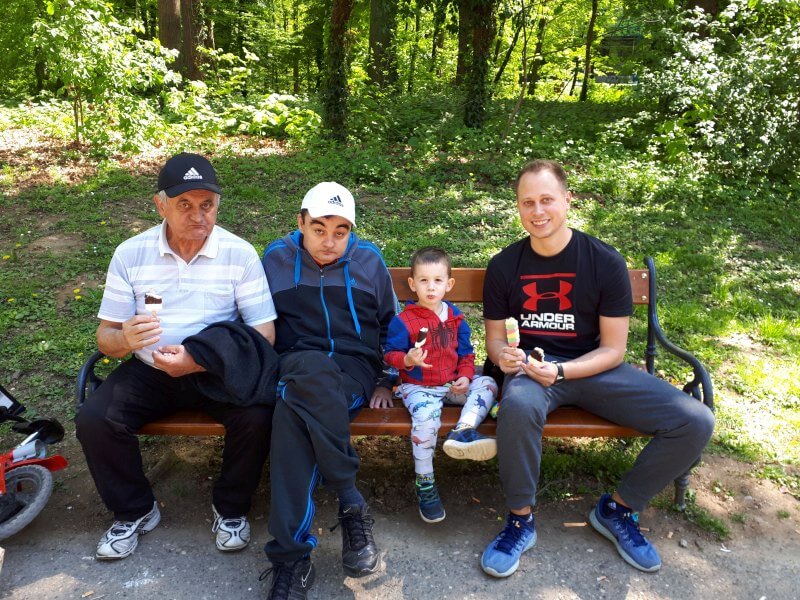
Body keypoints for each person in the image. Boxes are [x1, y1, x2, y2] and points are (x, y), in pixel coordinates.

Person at [480, 159, 715, 577]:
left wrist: (564, 372)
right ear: (517, 206)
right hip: (533, 372)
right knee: (518, 405)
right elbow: (496, 340)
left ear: (567, 200)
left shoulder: (603, 261)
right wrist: (504, 357)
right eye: (527, 202)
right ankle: (519, 520)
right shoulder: (504, 265)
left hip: (593, 368)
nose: (537, 211)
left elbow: (613, 350)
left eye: (547, 200)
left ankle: (618, 510)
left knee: (694, 421)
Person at [76, 152, 277, 560]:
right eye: (184, 204)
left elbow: (264, 333)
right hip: (150, 370)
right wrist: (125, 338)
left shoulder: (238, 253)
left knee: (257, 416)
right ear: (160, 205)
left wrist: (199, 359)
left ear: (218, 205)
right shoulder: (131, 253)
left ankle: (231, 509)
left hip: (214, 369)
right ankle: (134, 510)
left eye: (207, 204)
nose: (198, 215)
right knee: (96, 419)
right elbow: (105, 338)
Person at [260, 181, 396, 599]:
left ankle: (291, 560)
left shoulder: (368, 259)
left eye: (341, 231)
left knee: (292, 415)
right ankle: (350, 500)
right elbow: (259, 321)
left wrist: (386, 377)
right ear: (301, 222)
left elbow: (392, 325)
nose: (329, 241)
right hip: (296, 363)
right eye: (319, 229)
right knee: (308, 373)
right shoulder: (276, 259)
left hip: (353, 368)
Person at [383, 247, 498, 523]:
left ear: (449, 283)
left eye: (437, 280)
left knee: (488, 383)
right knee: (425, 421)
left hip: (451, 386)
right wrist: (407, 359)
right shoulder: (404, 321)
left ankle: (463, 430)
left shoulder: (456, 318)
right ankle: (425, 482)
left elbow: (466, 354)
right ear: (412, 284)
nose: (431, 287)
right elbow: (390, 354)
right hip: (418, 387)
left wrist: (465, 376)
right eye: (423, 280)